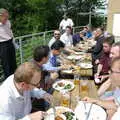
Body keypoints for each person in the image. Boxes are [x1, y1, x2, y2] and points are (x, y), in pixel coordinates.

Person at [0, 8, 17, 79]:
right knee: (6, 65)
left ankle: (15, 78)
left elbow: (10, 32)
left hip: (10, 42)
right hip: (2, 45)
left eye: (7, 17)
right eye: (5, 17)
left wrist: (14, 43)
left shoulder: (8, 22)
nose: (7, 18)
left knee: (13, 63)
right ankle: (8, 81)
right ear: (0, 16)